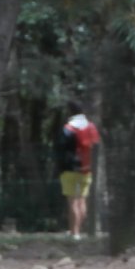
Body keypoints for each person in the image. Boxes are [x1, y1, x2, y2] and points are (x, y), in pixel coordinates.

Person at [56, 100, 100, 240]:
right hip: (87, 168)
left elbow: (61, 149)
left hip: (70, 168)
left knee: (72, 201)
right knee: (82, 200)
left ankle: (75, 233)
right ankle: (77, 230)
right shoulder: (91, 127)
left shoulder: (68, 128)